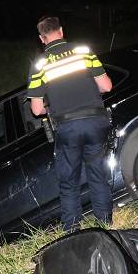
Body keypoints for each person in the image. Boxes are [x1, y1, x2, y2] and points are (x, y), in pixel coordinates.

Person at [26, 16, 113, 233]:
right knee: (98, 175)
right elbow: (107, 86)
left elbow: (36, 110)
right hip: (95, 122)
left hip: (68, 128)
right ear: (61, 31)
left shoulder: (40, 63)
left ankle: (72, 230)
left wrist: (53, 106)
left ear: (41, 38)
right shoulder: (83, 51)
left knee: (69, 182)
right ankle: (105, 225)